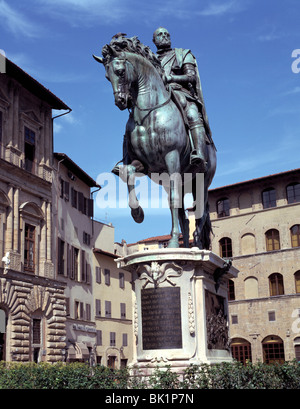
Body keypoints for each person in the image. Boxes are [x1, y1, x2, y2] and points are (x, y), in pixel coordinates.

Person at [152, 27, 215, 171]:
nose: (164, 37)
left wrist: (171, 78)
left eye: (167, 34)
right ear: (154, 40)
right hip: (157, 96)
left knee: (192, 114)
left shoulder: (183, 54)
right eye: (160, 35)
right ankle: (126, 159)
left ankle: (198, 152)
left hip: (180, 92)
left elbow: (191, 77)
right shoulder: (151, 59)